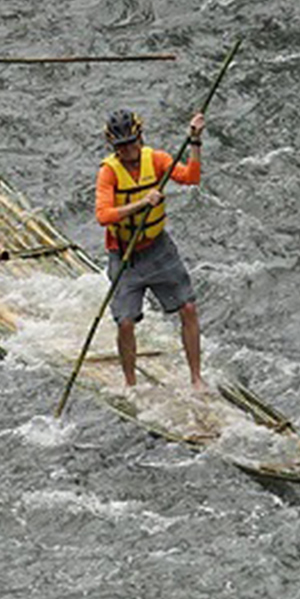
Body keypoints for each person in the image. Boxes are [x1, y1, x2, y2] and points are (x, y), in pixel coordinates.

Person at [95, 107, 207, 391]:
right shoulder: (109, 172)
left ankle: (196, 378)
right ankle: (131, 384)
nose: (128, 150)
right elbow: (104, 216)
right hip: (125, 256)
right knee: (126, 323)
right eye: (121, 146)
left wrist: (194, 142)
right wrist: (143, 203)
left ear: (140, 138)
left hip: (158, 250)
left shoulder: (156, 159)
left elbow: (191, 177)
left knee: (189, 307)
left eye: (132, 143)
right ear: (114, 147)